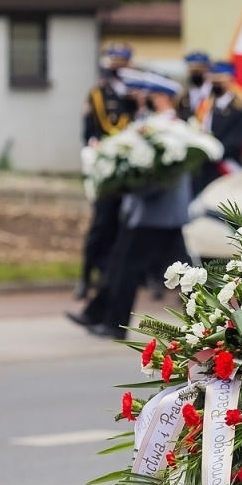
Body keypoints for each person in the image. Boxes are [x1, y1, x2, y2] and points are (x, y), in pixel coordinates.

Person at [70, 73, 192, 339]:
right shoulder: (153, 124)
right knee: (125, 264)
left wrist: (134, 186)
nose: (140, 99)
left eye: (147, 95)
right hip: (145, 211)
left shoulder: (171, 128)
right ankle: (98, 314)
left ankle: (113, 323)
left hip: (157, 212)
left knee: (131, 268)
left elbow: (164, 172)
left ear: (162, 97)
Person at [76, 44, 138, 302]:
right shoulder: (98, 94)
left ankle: (112, 277)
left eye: (123, 64)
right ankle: (86, 277)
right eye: (115, 64)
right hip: (106, 170)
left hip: (130, 170)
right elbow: (90, 130)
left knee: (124, 227)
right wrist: (93, 144)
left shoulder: (135, 95)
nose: (118, 69)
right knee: (101, 225)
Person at [194, 60, 242, 191]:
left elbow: (236, 139)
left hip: (225, 166)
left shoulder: (239, 108)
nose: (216, 84)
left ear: (230, 81)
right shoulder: (205, 106)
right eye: (214, 80)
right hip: (204, 168)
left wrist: (212, 150)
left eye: (220, 81)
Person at [180, 51, 211, 120]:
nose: (196, 73)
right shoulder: (185, 95)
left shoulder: (212, 93)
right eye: (193, 70)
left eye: (198, 70)